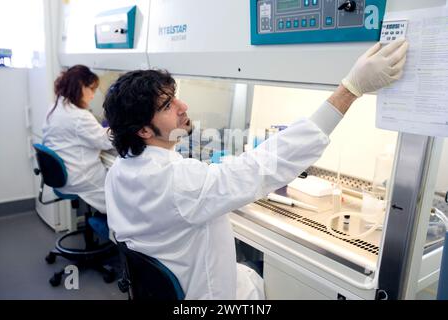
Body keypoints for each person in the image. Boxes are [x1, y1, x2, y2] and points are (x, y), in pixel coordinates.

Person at [103, 40, 409, 299]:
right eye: (167, 105)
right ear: (144, 130)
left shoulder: (121, 170)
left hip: (171, 286)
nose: (183, 106)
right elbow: (260, 168)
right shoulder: (179, 182)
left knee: (249, 279)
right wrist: (351, 88)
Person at [42, 65, 113, 213]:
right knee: (120, 192)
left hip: (62, 176)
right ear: (81, 87)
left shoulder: (55, 106)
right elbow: (105, 141)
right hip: (80, 178)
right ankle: (117, 230)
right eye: (92, 89)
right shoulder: (79, 116)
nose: (93, 95)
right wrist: (124, 126)